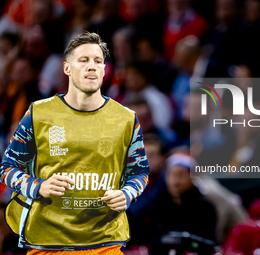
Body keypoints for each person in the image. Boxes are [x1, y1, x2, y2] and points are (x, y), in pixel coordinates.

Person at [0, 32, 150, 254]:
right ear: (67, 68)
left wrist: (127, 193)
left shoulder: (126, 119)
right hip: (48, 241)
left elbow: (140, 172)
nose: (92, 66)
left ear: (104, 70)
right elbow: (7, 169)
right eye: (84, 60)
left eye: (98, 61)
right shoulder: (38, 114)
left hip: (104, 242)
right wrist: (38, 186)